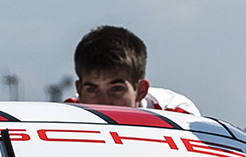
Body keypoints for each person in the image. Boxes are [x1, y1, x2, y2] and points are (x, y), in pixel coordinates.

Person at [71, 25, 200, 113]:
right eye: (92, 89)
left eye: (116, 89)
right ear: (79, 91)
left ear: (141, 90)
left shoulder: (178, 113)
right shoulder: (66, 116)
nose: (104, 102)